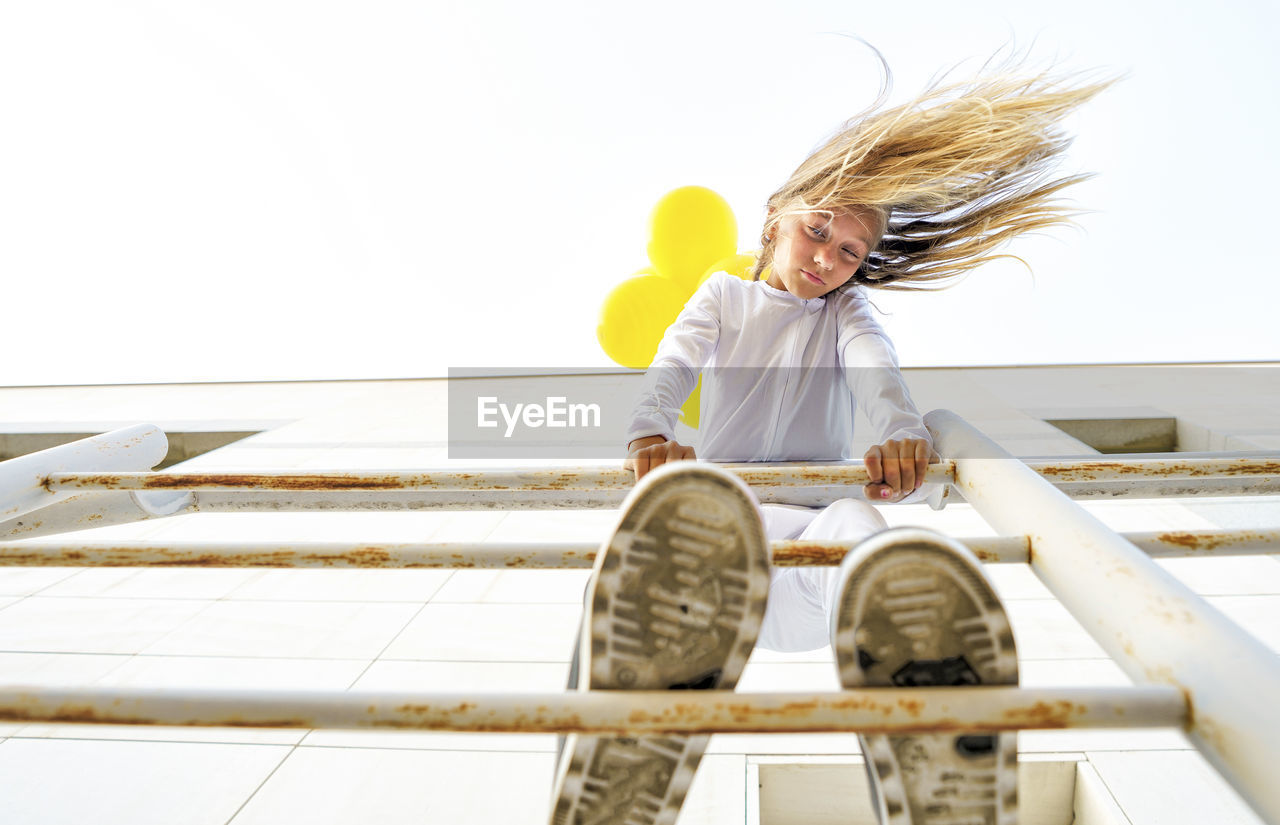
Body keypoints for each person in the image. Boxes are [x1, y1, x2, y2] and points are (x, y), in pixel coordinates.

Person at [551, 54, 1111, 825]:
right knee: (661, 535)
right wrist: (649, 428)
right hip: (724, 559)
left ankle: (927, 731)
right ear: (778, 216)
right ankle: (619, 747)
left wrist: (902, 434)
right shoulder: (724, 297)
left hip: (817, 563)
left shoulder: (847, 315)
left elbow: (879, 375)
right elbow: (672, 365)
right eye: (819, 232)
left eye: (849, 252)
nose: (827, 260)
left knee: (861, 526)